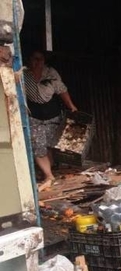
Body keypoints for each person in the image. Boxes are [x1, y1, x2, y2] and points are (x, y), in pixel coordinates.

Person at [24, 50, 78, 183]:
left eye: (40, 59)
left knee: (50, 144)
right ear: (29, 60)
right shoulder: (23, 75)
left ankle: (51, 170)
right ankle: (48, 175)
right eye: (34, 59)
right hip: (33, 116)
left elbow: (62, 90)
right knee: (38, 146)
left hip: (52, 115)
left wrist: (71, 106)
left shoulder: (51, 73)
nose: (37, 62)